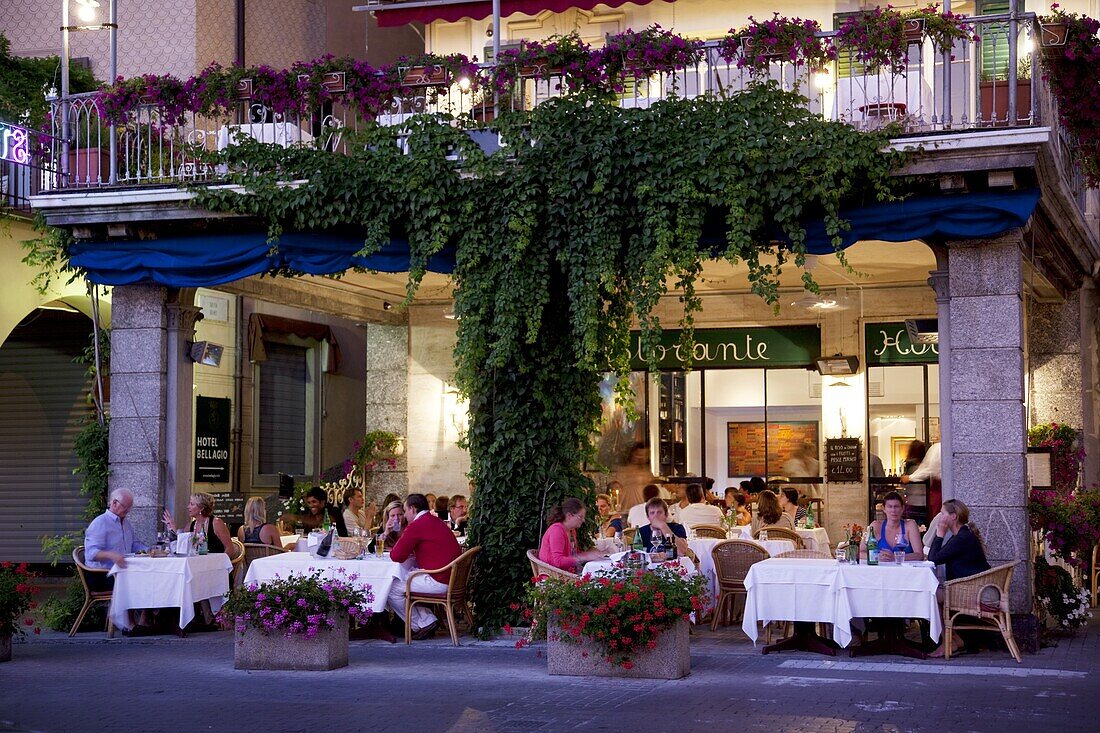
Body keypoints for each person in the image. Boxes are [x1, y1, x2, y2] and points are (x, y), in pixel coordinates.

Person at [388, 493, 463, 639]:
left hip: (439, 580)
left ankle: (423, 623)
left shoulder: (417, 525)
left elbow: (396, 556)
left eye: (405, 511)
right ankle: (427, 619)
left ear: (413, 509)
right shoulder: (435, 521)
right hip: (451, 579)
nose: (404, 515)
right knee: (402, 581)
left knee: (391, 587)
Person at [927, 499, 991, 657]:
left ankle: (948, 642)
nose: (940, 517)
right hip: (972, 587)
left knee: (931, 595)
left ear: (953, 516)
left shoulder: (961, 539)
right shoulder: (962, 536)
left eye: (942, 514)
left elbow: (933, 558)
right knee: (934, 593)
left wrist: (940, 534)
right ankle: (954, 639)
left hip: (974, 591)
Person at [84, 488, 149, 571]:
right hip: (102, 573)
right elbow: (90, 553)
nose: (128, 511)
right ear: (114, 503)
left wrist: (149, 550)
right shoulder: (100, 523)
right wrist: (111, 555)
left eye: (130, 507)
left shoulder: (126, 524)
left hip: (122, 570)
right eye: (125, 507)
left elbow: (133, 545)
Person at [538, 497, 607, 573]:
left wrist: (591, 554)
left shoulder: (571, 531)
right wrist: (584, 557)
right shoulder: (557, 530)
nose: (583, 520)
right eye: (580, 517)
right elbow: (558, 561)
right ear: (569, 516)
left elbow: (574, 554)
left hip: (565, 574)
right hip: (552, 576)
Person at [163, 493, 239, 560]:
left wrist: (219, 564)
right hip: (196, 566)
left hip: (215, 567)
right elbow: (183, 549)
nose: (188, 507)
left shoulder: (216, 523)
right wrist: (173, 528)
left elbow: (230, 549)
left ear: (201, 508)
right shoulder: (190, 526)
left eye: (192, 504)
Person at [861, 491, 924, 562]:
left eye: (896, 506)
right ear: (884, 509)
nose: (893, 510)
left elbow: (919, 555)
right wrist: (876, 556)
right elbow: (861, 552)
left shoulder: (910, 525)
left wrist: (895, 557)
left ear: (902, 508)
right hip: (881, 571)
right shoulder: (875, 526)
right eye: (890, 506)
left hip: (905, 571)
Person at [902, 441, 942, 517]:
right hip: (923, 499)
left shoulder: (937, 448)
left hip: (920, 499)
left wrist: (910, 478)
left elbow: (928, 469)